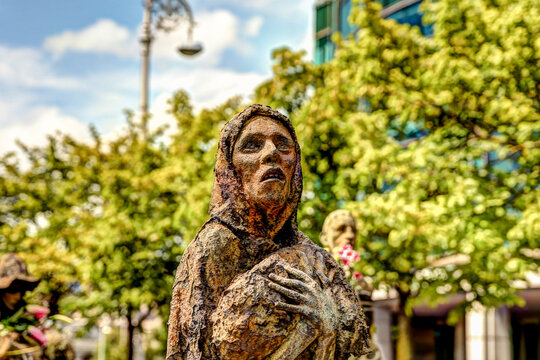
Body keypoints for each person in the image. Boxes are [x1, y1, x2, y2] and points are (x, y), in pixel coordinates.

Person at [167, 105, 370, 360]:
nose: (272, 153)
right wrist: (305, 333)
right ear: (230, 169)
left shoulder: (315, 260)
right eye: (252, 145)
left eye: (283, 145)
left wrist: (327, 329)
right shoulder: (214, 247)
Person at [320, 211, 382, 360]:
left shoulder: (364, 283)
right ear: (324, 237)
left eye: (353, 230)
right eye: (341, 229)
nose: (350, 236)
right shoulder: (317, 275)